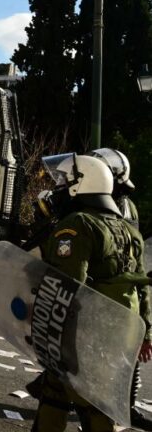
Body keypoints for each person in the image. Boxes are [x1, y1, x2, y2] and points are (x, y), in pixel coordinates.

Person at [32, 153, 152, 432]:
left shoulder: (79, 224)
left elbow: (67, 285)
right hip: (120, 326)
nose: (59, 185)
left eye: (64, 180)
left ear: (81, 184)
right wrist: (145, 331)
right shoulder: (128, 229)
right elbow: (140, 284)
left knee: (89, 401)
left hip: (86, 328)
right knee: (55, 390)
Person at [88, 148, 152, 431]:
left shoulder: (124, 208)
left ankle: (125, 406)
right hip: (103, 293)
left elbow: (130, 258)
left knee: (125, 359)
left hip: (119, 294)